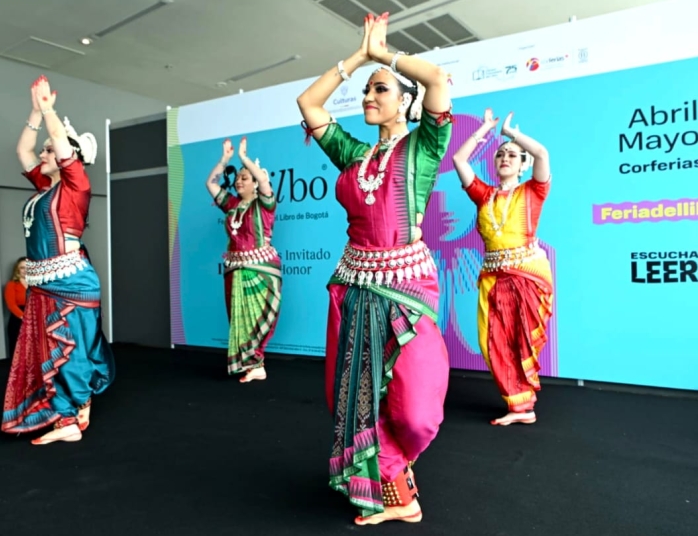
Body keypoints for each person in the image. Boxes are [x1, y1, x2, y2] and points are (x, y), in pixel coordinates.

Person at [296, 12, 452, 526]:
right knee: (354, 398)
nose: (368, 97)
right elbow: (309, 104)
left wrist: (384, 53)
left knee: (415, 408)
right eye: (366, 91)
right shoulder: (353, 155)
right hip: (354, 289)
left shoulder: (424, 148)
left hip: (406, 286)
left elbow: (436, 79)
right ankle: (395, 491)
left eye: (379, 90)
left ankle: (397, 470)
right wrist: (356, 60)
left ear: (404, 101)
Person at [1, 75, 115, 445]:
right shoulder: (45, 190)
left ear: (72, 158)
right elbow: (22, 152)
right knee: (55, 349)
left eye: (51, 150)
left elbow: (63, 152)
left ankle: (69, 417)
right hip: (45, 280)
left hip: (71, 280)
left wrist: (50, 110)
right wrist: (35, 113)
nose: (44, 154)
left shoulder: (76, 186)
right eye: (47, 150)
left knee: (70, 349)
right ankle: (72, 410)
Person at [451, 107, 553, 426]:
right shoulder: (484, 196)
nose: (505, 158)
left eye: (512, 155)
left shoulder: (534, 190)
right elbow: (459, 161)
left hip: (527, 276)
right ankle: (517, 405)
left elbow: (542, 152)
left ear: (523, 165)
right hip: (494, 279)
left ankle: (523, 407)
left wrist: (512, 135)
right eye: (500, 155)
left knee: (521, 339)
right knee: (492, 340)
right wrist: (483, 132)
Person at [205, 137, 281, 383]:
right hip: (234, 270)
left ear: (256, 184)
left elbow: (264, 181)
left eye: (244, 177)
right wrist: (225, 160)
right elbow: (211, 183)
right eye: (237, 177)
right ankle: (254, 366)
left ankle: (257, 361)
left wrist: (245, 159)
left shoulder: (265, 204)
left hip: (261, 271)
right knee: (239, 319)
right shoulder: (232, 205)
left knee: (258, 320)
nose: (239, 180)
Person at [3, 257, 28, 359]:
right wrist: (25, 317)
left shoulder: (37, 284)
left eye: (28, 267)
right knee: (19, 352)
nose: (25, 270)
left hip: (36, 319)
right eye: (22, 268)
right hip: (18, 320)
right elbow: (11, 305)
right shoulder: (12, 285)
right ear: (17, 270)